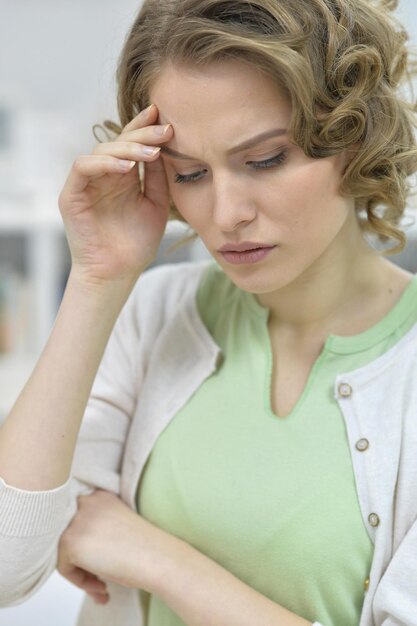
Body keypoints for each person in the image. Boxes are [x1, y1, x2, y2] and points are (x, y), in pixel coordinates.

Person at [1, 0, 417, 624]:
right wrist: (97, 279)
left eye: (266, 160)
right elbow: (8, 570)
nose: (226, 215)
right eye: (190, 173)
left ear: (354, 135)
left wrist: (152, 557)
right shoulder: (154, 316)